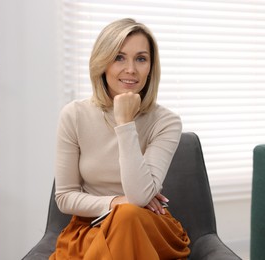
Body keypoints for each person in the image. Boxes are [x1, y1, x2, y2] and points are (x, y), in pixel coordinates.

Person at [50, 18, 190, 260]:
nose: (131, 69)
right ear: (102, 63)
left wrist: (125, 123)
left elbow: (139, 197)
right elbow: (65, 197)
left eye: (141, 59)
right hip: (91, 228)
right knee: (126, 215)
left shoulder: (166, 121)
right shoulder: (74, 114)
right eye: (119, 57)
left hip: (148, 228)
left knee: (129, 217)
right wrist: (118, 203)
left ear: (151, 67)